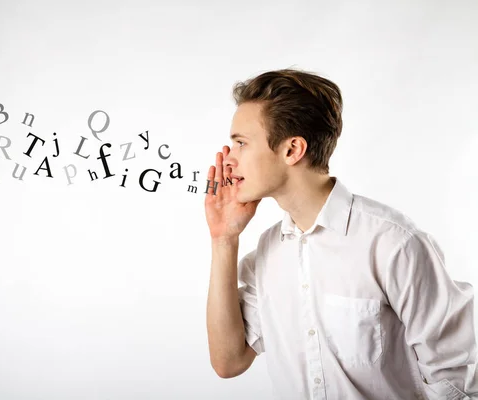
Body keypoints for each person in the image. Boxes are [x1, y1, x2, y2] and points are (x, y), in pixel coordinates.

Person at [204, 68, 478, 399]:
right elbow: (228, 362)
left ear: (292, 150)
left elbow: (455, 379)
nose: (228, 160)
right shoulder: (268, 252)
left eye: (240, 144)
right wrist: (223, 238)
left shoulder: (393, 243)